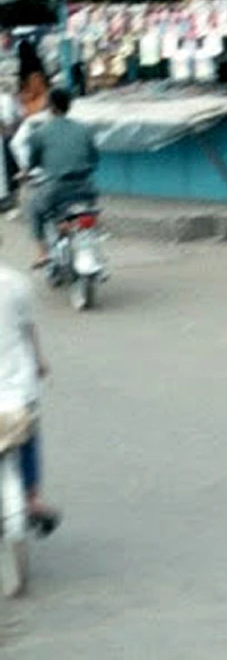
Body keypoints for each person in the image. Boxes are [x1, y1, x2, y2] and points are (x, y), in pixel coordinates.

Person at [0, 265, 59, 535]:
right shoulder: (15, 282)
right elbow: (28, 328)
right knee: (28, 433)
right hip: (18, 391)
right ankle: (32, 498)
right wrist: (40, 361)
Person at [23, 89, 99, 269]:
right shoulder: (84, 129)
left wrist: (25, 173)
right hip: (86, 188)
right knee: (89, 214)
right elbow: (94, 158)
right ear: (69, 106)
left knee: (33, 207)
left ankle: (42, 253)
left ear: (50, 107)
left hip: (56, 189)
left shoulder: (40, 132)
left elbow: (32, 162)